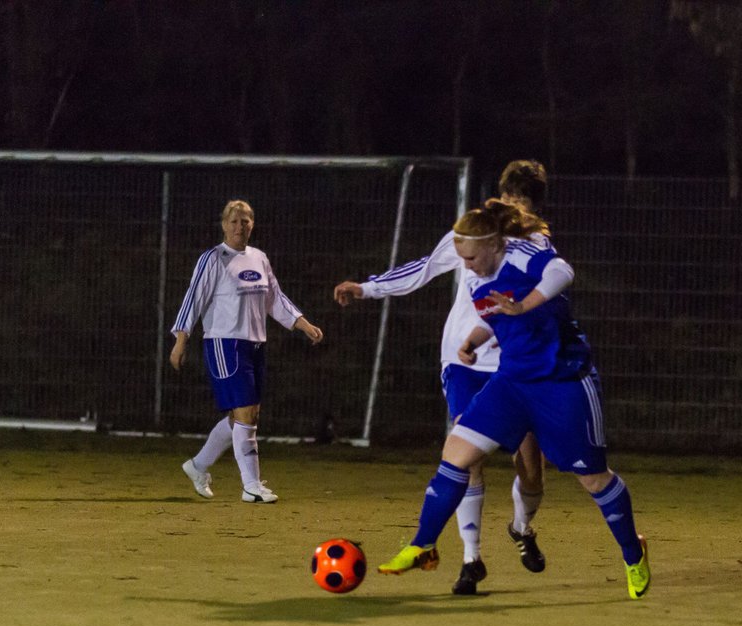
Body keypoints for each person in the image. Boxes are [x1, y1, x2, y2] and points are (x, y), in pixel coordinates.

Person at [374, 199, 651, 600]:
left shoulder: (526, 253)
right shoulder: (477, 275)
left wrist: (523, 305)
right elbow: (496, 315)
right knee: (456, 453)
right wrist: (475, 338)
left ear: (492, 245)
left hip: (563, 380)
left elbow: (563, 272)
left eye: (470, 257)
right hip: (513, 381)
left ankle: (632, 553)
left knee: (592, 477)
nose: (465, 266)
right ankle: (422, 544)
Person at [333, 160, 550, 596]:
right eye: (510, 198)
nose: (514, 208)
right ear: (501, 195)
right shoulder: (474, 233)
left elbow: (544, 299)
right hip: (463, 363)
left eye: (523, 202)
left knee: (530, 469)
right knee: (467, 458)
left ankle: (521, 527)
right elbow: (423, 268)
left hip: (514, 364)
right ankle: (471, 560)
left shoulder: (539, 243)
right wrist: (368, 288)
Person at [170, 199, 323, 504]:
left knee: (246, 415)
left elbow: (275, 298)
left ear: (253, 224)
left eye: (246, 221)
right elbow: (193, 299)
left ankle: (198, 466)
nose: (240, 226)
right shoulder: (213, 259)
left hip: (255, 345)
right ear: (223, 224)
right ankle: (251, 486)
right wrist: (181, 339)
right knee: (244, 415)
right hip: (224, 344)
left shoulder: (260, 258)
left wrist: (303, 324)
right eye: (234, 221)